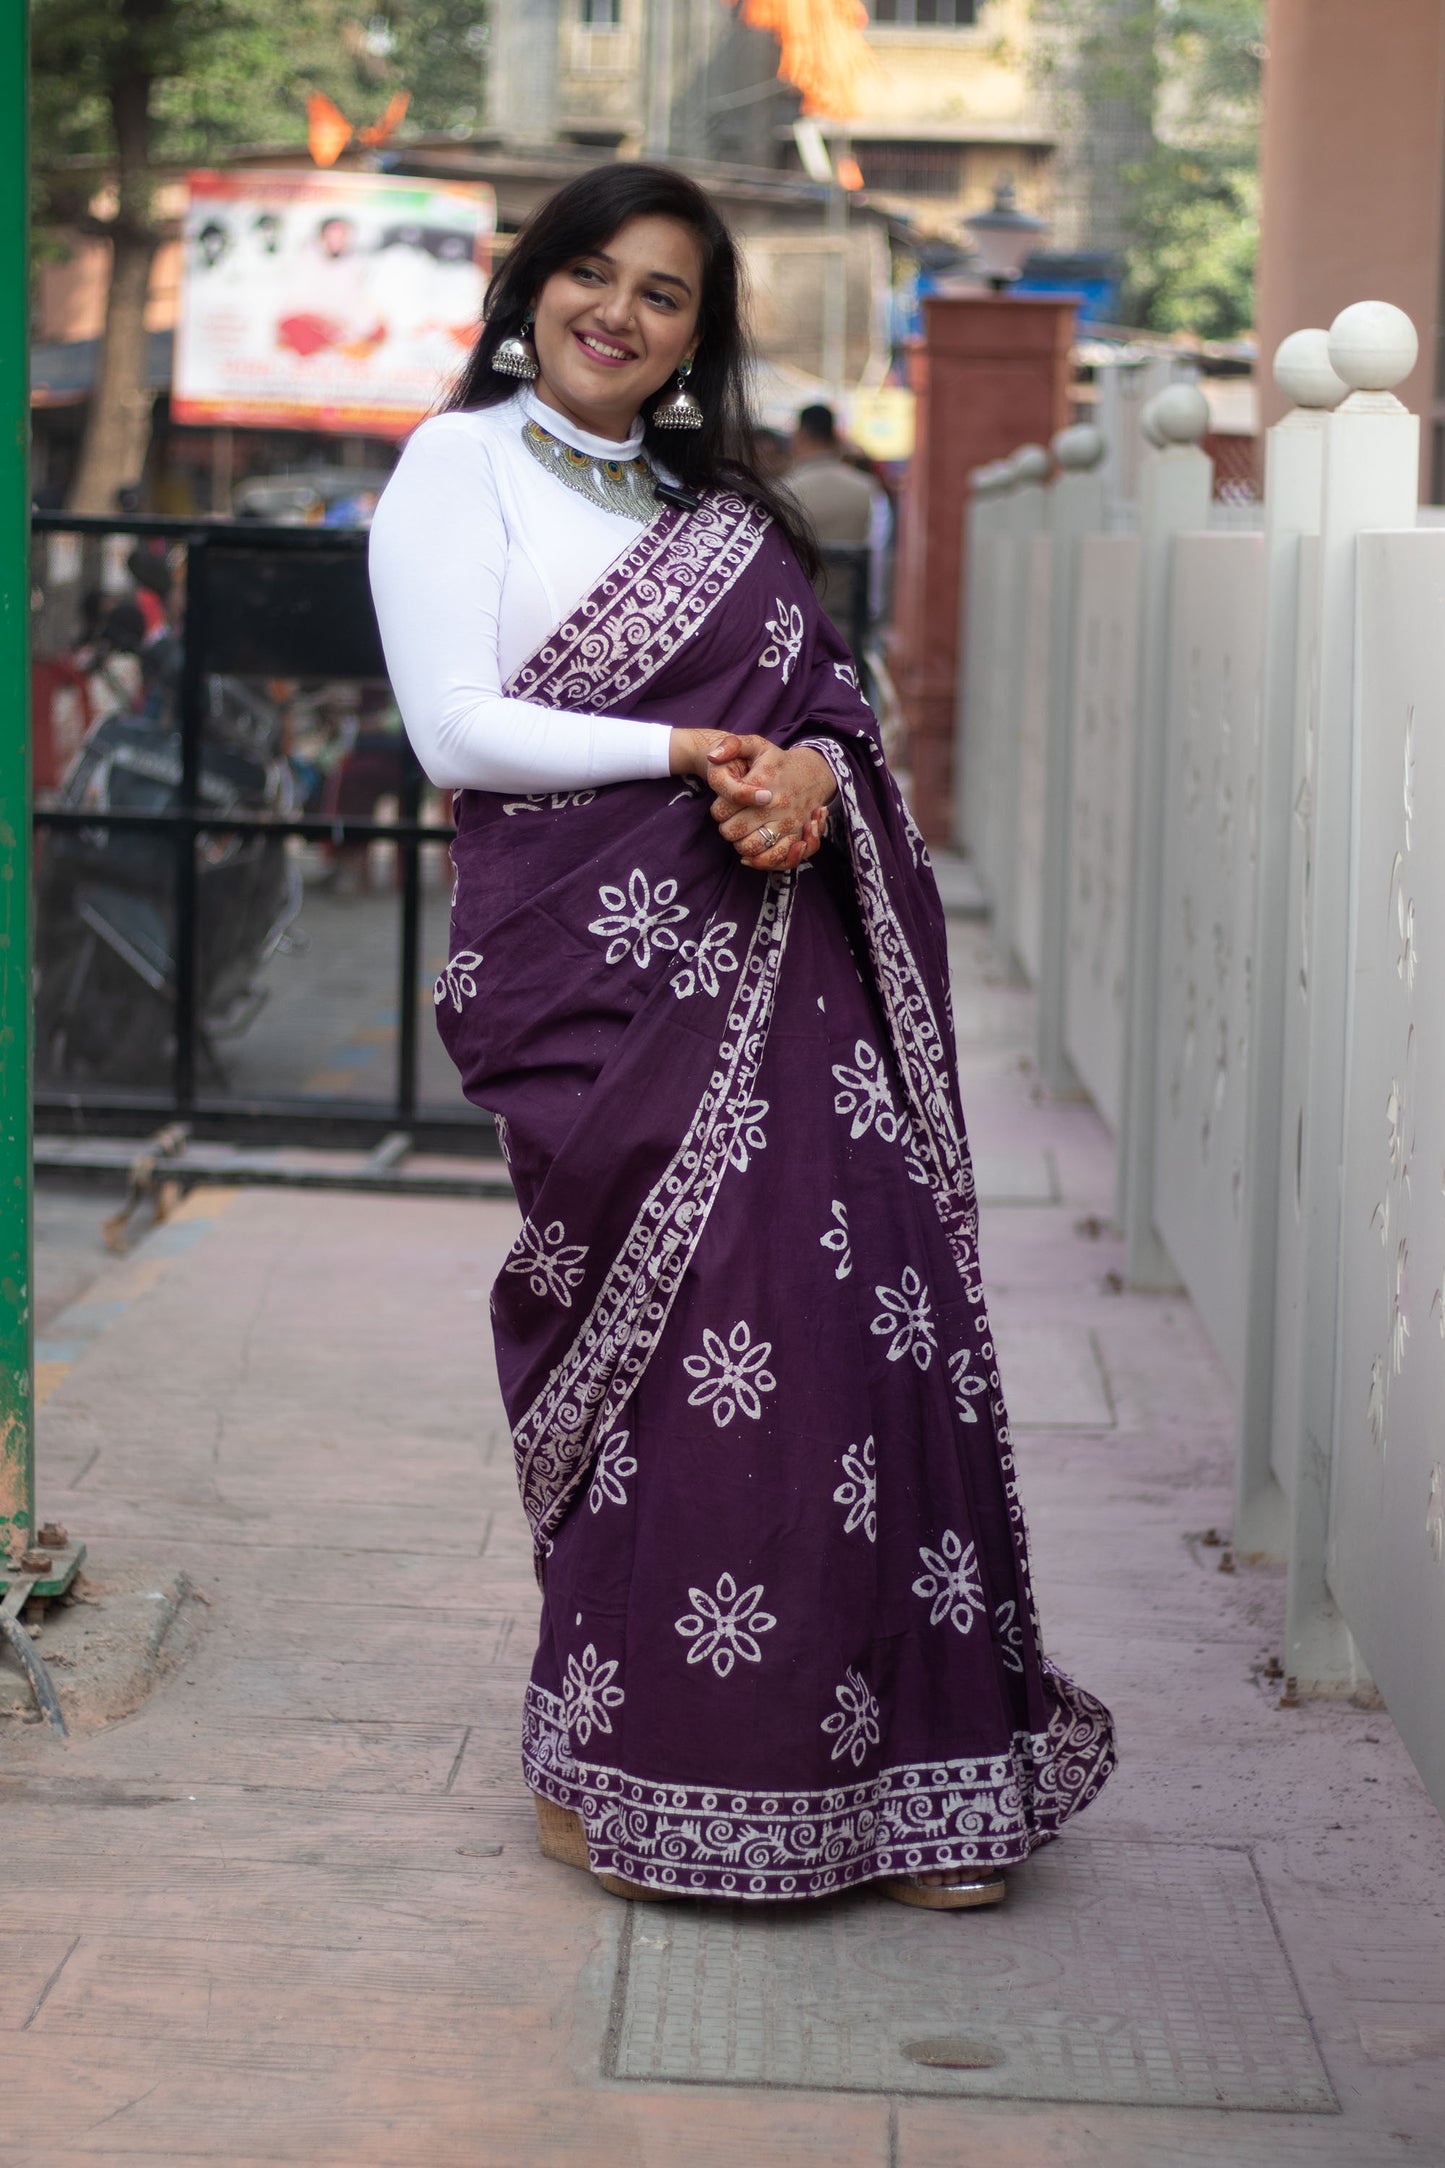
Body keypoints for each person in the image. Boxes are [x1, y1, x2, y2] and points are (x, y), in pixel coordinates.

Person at [367, 163, 1114, 1908]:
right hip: (599, 987)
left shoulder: (734, 517)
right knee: (677, 1358)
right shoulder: (453, 466)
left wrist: (807, 772)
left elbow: (834, 713)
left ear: (701, 336)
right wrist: (699, 752)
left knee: (856, 1331)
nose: (616, 314)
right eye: (591, 275)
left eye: (663, 295)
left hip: (798, 981)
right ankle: (627, 1753)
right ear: (533, 282)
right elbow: (456, 730)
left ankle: (916, 1774)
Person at [786, 403, 888, 643]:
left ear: (801, 435)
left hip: (794, 627)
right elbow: (878, 558)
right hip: (848, 628)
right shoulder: (868, 490)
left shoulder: (783, 491)